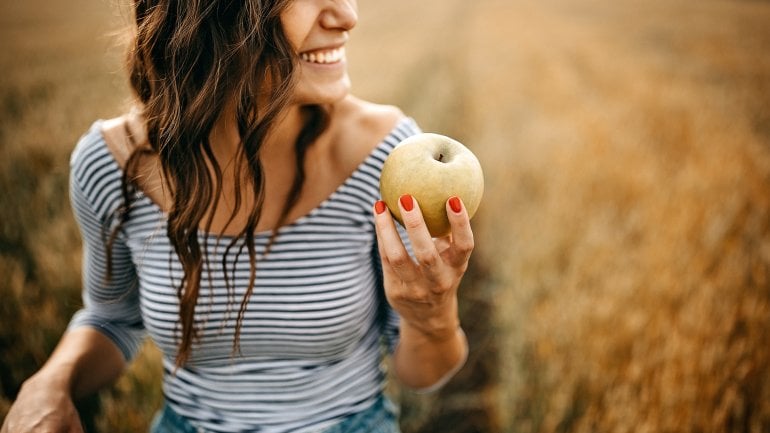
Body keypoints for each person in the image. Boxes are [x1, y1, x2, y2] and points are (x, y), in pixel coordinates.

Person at [1, 0, 472, 431]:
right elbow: (111, 319)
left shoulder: (387, 157)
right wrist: (50, 382)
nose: (347, 15)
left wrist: (430, 314)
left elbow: (423, 373)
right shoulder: (111, 166)